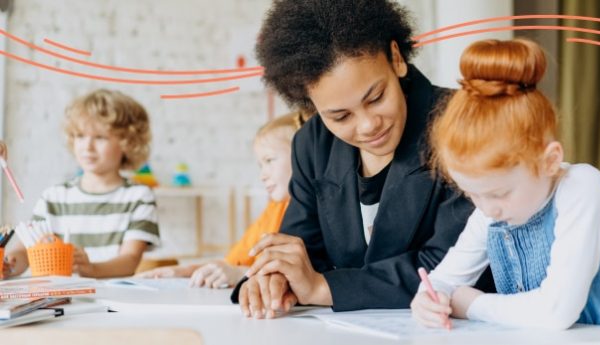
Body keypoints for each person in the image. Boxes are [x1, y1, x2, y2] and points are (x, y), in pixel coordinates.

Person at [233, 0, 495, 318]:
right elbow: (302, 250)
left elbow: (452, 263)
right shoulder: (311, 144)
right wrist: (275, 278)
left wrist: (322, 288)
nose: (368, 125)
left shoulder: (465, 123)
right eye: (340, 116)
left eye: (376, 97)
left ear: (396, 59)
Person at [410, 39, 600, 330]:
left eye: (499, 193)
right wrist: (428, 299)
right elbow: (445, 279)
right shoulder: (490, 210)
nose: (488, 209)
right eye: (473, 195)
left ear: (550, 160)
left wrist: (471, 304)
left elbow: (555, 311)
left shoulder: (582, 188)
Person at [3, 89, 160, 279]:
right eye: (80, 136)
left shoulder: (139, 197)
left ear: (128, 142)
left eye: (100, 137)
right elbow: (25, 252)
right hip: (62, 301)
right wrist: (8, 265)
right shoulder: (54, 197)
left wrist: (90, 269)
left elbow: (129, 260)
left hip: (113, 302)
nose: (87, 146)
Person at [137, 112, 301, 288]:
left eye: (269, 160)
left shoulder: (312, 213)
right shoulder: (274, 209)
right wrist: (186, 271)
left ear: (304, 157)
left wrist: (241, 274)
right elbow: (233, 263)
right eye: (260, 165)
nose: (262, 175)